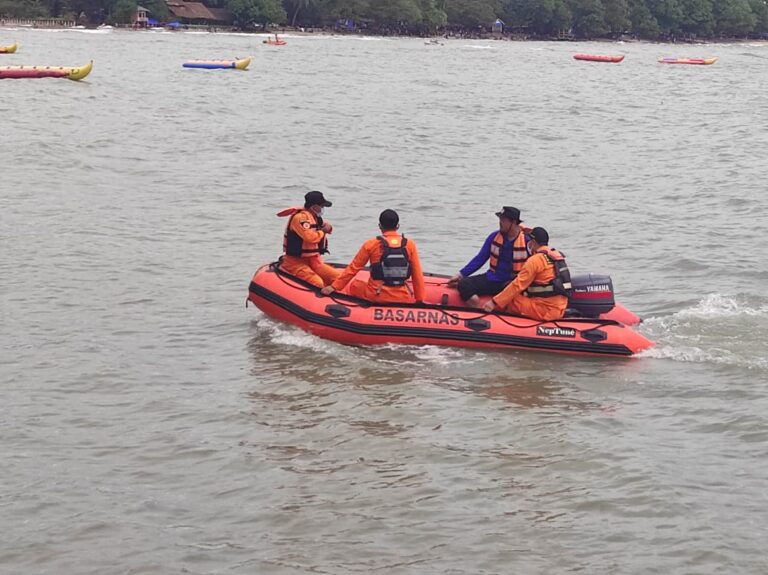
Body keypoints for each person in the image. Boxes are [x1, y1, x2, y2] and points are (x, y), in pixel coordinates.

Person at [320, 209, 425, 303]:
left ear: (380, 226)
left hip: (376, 296)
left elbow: (353, 268)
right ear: (398, 226)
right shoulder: (410, 244)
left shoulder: (371, 244)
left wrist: (333, 287)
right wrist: (419, 299)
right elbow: (417, 274)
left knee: (354, 285)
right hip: (402, 297)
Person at [447, 206, 531, 308]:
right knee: (464, 284)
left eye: (503, 220)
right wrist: (460, 275)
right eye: (500, 219)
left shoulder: (527, 242)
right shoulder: (494, 237)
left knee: (515, 291)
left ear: (513, 222)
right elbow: (480, 259)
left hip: (512, 284)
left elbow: (535, 267)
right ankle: (478, 310)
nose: (500, 223)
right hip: (492, 279)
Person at [482, 227, 572, 321]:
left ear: (533, 242)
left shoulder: (535, 261)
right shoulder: (555, 256)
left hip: (545, 310)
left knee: (510, 300)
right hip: (560, 307)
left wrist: (494, 302)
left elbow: (517, 285)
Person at [277, 191, 340, 288]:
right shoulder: (300, 218)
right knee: (317, 283)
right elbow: (310, 237)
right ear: (314, 207)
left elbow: (325, 227)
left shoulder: (314, 217)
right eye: (321, 206)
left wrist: (328, 228)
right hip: (295, 262)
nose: (323, 209)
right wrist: (322, 232)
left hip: (313, 260)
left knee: (339, 278)